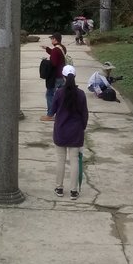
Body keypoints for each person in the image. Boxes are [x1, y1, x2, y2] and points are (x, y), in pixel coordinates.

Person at [52, 65, 89, 200]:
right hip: (76, 131)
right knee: (74, 161)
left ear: (63, 77)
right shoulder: (81, 94)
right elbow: (85, 114)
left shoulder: (59, 92)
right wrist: (82, 127)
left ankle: (59, 188)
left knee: (60, 160)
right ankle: (74, 191)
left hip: (61, 130)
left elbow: (52, 111)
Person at [41, 33, 66, 122]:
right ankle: (62, 113)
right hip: (61, 76)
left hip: (55, 77)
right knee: (61, 96)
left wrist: (46, 61)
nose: (51, 40)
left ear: (55, 39)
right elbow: (54, 53)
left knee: (49, 94)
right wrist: (47, 49)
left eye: (52, 39)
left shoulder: (56, 50)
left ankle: (50, 115)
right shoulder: (62, 48)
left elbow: (54, 63)